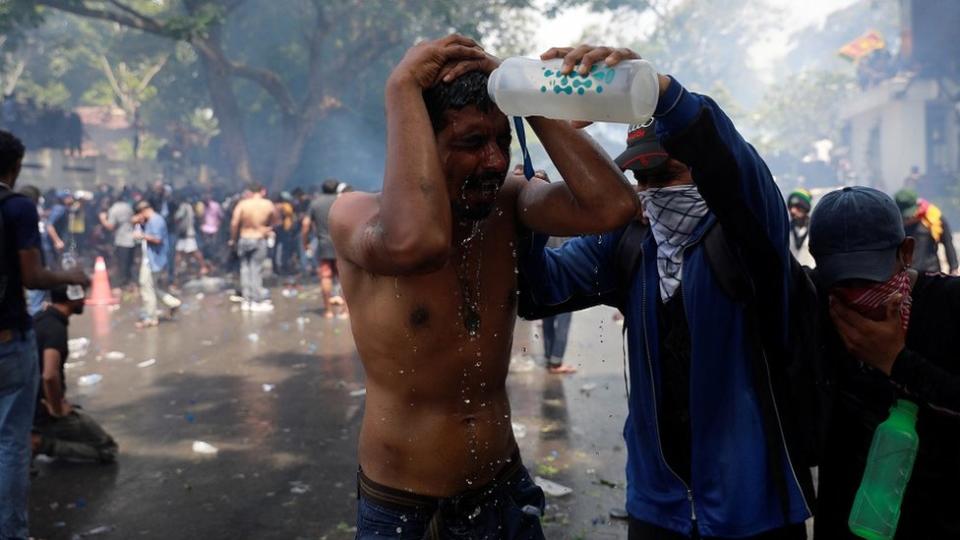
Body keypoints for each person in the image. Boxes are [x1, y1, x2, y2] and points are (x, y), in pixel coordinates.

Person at [330, 35, 637, 539]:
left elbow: (612, 206)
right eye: (471, 142)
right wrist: (401, 87)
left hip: (504, 492)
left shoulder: (508, 203)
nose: (495, 161)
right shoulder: (357, 216)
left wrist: (529, 97)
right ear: (418, 145)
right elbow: (419, 244)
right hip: (408, 512)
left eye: (502, 140)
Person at [518, 46, 811, 539]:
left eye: (667, 175)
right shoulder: (631, 244)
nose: (652, 193)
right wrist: (531, 214)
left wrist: (659, 90)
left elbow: (731, 164)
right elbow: (539, 292)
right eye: (641, 179)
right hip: (658, 509)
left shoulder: (750, 237)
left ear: (700, 170)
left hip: (753, 511)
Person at [809, 186, 960, 539]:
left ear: (906, 252)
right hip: (849, 520)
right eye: (843, 280)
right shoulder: (816, 306)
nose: (856, 291)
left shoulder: (950, 306)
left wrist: (897, 361)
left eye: (869, 276)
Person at [0, 130, 89, 540]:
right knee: (11, 445)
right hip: (5, 340)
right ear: (15, 167)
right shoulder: (16, 207)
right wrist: (69, 276)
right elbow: (33, 277)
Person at [32, 286, 118, 463]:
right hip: (44, 413)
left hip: (30, 406)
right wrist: (57, 410)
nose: (84, 300)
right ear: (71, 297)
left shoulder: (42, 317)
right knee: (108, 449)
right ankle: (41, 443)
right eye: (81, 296)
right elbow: (49, 375)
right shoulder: (55, 328)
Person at [229, 183, 277, 312]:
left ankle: (247, 300)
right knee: (256, 270)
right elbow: (275, 221)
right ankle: (256, 300)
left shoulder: (243, 204)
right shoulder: (268, 204)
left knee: (244, 269)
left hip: (244, 238)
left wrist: (233, 239)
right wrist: (267, 229)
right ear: (262, 191)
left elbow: (234, 222)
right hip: (259, 238)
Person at [133, 200, 181, 328]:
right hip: (151, 259)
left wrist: (141, 235)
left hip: (153, 260)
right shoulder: (151, 221)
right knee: (151, 287)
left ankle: (151, 318)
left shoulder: (156, 220)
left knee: (146, 287)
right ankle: (172, 302)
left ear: (144, 211)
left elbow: (157, 239)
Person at [302, 179, 342, 318]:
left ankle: (328, 311)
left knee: (326, 277)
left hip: (324, 245)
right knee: (344, 278)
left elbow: (306, 224)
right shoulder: (341, 202)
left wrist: (305, 242)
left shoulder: (315, 203)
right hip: (341, 246)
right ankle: (346, 312)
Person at [893, 189, 958, 275]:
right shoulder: (895, 223)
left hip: (931, 272)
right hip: (906, 275)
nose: (908, 218)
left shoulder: (934, 219)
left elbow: (948, 243)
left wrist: (954, 268)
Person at [99, 194, 136, 289]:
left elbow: (110, 226)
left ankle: (123, 283)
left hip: (122, 239)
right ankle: (129, 281)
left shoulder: (114, 209)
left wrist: (103, 219)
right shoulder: (128, 207)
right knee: (129, 263)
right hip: (132, 237)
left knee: (122, 262)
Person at [172, 195, 209, 281]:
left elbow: (177, 217)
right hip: (186, 234)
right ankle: (179, 270)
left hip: (186, 234)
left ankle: (203, 267)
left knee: (194, 251)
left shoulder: (184, 206)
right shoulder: (189, 207)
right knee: (180, 252)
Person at [787, 188, 815, 267]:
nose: (792, 211)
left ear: (805, 208)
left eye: (797, 207)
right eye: (790, 207)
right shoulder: (785, 231)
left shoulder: (815, 229)